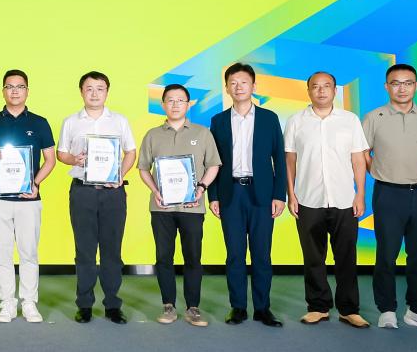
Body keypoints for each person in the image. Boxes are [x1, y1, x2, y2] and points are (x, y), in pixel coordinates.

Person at [363, 63, 417, 331]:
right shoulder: (374, 117)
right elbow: (363, 152)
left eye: (408, 83)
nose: (402, 88)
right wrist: (381, 171)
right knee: (386, 255)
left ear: (416, 86)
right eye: (396, 83)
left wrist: (413, 170)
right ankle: (387, 310)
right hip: (388, 194)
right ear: (387, 87)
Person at [285, 71, 371, 328]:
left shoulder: (350, 120)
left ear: (335, 90)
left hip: (344, 199)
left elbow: (358, 159)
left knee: (346, 257)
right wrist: (291, 195)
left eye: (327, 86)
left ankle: (349, 309)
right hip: (308, 199)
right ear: (308, 91)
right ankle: (318, 306)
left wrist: (360, 194)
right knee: (313, 257)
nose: (321, 90)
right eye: (315, 86)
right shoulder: (296, 121)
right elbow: (290, 160)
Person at [208, 64, 287, 327]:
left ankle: (263, 308)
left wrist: (279, 195)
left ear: (253, 86)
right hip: (231, 193)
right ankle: (238, 307)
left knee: (262, 254)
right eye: (233, 82)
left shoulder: (269, 118)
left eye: (243, 82)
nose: (238, 87)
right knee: (235, 254)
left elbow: (279, 158)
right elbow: (213, 161)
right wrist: (213, 196)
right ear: (227, 87)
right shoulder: (218, 121)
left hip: (262, 193)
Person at [0, 69, 56, 323]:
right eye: (9, 87)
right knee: (2, 253)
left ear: (27, 91)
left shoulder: (40, 122)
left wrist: (36, 183)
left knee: (29, 252)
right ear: (3, 91)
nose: (15, 91)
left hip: (28, 199)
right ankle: (7, 304)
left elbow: (50, 160)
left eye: (20, 87)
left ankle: (29, 303)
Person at [137, 84, 222, 327]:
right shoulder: (152, 135)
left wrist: (201, 187)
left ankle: (193, 308)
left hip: (192, 207)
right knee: (164, 257)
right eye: (170, 100)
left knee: (193, 257)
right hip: (161, 208)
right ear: (163, 104)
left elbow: (213, 165)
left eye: (180, 100)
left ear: (188, 104)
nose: (175, 105)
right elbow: (143, 168)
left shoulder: (202, 133)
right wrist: (156, 191)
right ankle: (168, 306)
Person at [56, 71, 136, 324]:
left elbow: (131, 152)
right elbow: (61, 153)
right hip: (83, 191)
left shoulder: (119, 121)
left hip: (113, 192)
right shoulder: (71, 121)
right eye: (89, 88)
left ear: (107, 92)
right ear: (81, 92)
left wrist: (120, 174)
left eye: (100, 88)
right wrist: (74, 159)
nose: (94, 93)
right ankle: (85, 305)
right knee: (85, 250)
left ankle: (112, 305)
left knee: (112, 250)